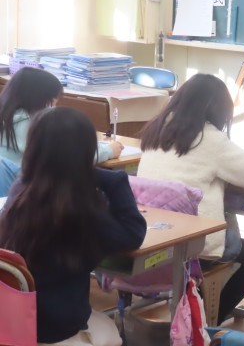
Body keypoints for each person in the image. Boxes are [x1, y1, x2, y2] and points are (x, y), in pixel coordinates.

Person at [137, 73, 244, 323]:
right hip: (192, 247)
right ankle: (206, 322)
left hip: (153, 240)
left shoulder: (157, 130)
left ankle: (197, 309)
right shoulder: (210, 139)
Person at [0, 107, 146, 345]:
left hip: (13, 323)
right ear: (86, 152)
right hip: (56, 331)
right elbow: (134, 233)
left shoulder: (19, 192)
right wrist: (115, 180)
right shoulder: (80, 209)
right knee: (113, 332)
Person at [0, 67, 123, 164]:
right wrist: (109, 151)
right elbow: (66, 160)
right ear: (41, 99)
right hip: (23, 185)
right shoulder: (33, 125)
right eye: (53, 101)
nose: (54, 107)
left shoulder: (7, 118)